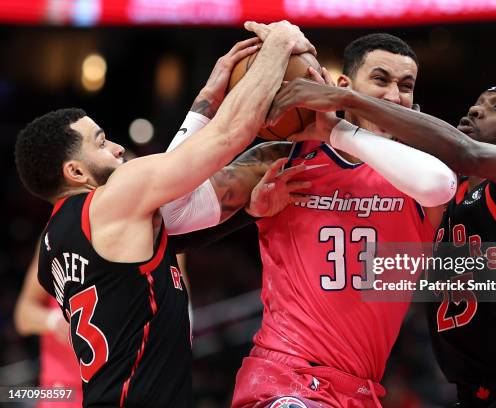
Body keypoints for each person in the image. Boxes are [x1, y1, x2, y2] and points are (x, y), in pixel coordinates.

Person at [13, 21, 315, 407]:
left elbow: (176, 203)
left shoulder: (54, 247)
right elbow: (230, 137)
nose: (119, 148)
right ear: (75, 172)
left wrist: (207, 97)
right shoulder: (111, 201)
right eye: (102, 143)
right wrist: (280, 43)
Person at [161, 32, 457, 408]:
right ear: (342, 87)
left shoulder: (419, 169)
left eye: (406, 86)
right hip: (286, 378)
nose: (394, 96)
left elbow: (438, 184)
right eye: (380, 80)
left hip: (361, 390)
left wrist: (337, 130)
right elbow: (171, 213)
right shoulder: (283, 158)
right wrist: (205, 106)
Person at [269, 78, 496, 406]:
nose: (476, 110)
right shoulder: (441, 198)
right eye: (478, 102)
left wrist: (346, 100)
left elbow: (463, 152)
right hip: (474, 395)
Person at [14, 243, 82, 408]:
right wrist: (54, 321)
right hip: (65, 390)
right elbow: (23, 314)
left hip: (117, 384)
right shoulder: (58, 232)